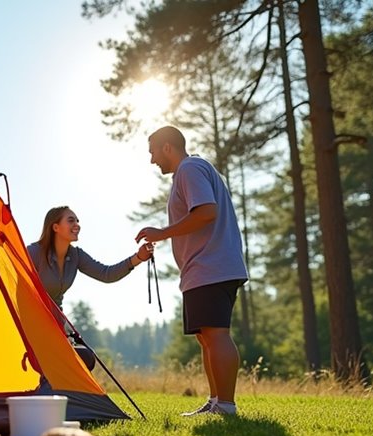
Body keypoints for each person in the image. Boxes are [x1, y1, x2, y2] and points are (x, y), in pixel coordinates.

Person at [135, 126, 248, 416]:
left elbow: (206, 211)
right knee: (206, 336)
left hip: (211, 266)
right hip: (204, 269)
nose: (152, 161)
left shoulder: (189, 168)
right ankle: (215, 402)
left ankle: (226, 405)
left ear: (168, 148)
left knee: (216, 334)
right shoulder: (191, 170)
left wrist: (163, 233)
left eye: (153, 153)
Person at [27, 206, 154, 370]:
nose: (77, 224)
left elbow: (106, 274)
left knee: (86, 358)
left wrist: (138, 258)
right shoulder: (34, 252)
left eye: (78, 221)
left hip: (55, 325)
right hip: (29, 323)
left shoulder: (76, 256)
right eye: (71, 220)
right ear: (55, 227)